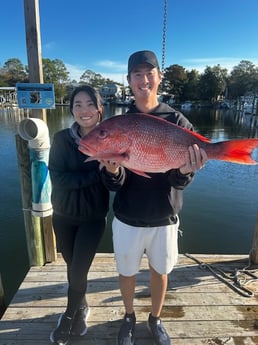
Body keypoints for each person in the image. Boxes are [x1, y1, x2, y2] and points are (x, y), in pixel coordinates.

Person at [100, 50, 208, 345]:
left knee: (160, 271)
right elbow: (115, 184)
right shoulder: (119, 123)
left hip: (164, 215)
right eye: (137, 74)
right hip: (127, 216)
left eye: (150, 73)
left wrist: (186, 169)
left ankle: (155, 319)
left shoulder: (178, 121)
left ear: (159, 77)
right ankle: (128, 317)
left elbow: (179, 181)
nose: (143, 79)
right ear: (129, 80)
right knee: (126, 271)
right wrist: (112, 170)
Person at [48, 85, 109, 345]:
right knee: (72, 268)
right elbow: (58, 178)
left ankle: (71, 314)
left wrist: (110, 172)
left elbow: (114, 180)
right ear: (71, 109)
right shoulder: (61, 139)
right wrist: (96, 172)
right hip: (62, 216)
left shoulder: (111, 138)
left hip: (92, 219)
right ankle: (81, 304)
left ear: (99, 109)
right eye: (77, 104)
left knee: (78, 271)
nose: (83, 110)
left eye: (89, 104)